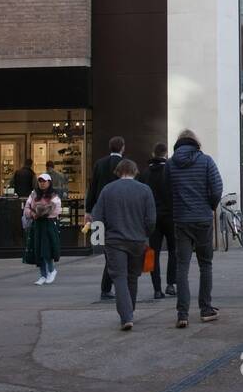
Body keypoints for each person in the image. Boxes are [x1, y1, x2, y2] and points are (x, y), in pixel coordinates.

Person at [168, 129, 224, 328]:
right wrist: (210, 205)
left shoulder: (170, 164)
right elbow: (217, 187)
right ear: (195, 142)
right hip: (202, 219)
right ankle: (206, 309)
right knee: (205, 264)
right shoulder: (206, 161)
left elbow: (166, 191)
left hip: (181, 220)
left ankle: (182, 314)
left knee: (182, 266)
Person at [91, 159, 155, 331]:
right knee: (133, 277)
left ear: (118, 172)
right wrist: (145, 234)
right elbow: (151, 219)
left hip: (114, 241)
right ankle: (130, 311)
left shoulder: (107, 190)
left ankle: (126, 316)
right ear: (135, 171)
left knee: (119, 277)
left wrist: (98, 241)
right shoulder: (145, 190)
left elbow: (97, 217)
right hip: (137, 240)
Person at [88, 136, 125, 300]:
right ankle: (111, 286)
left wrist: (88, 210)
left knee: (108, 249)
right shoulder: (125, 165)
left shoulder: (99, 164)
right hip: (120, 212)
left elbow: (93, 187)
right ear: (122, 147)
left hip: (101, 211)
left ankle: (107, 287)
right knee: (118, 250)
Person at [141, 143, 176, 299]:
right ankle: (171, 284)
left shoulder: (145, 173)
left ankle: (157, 288)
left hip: (153, 217)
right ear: (166, 154)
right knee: (173, 251)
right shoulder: (170, 171)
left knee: (153, 252)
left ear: (153, 153)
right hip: (170, 215)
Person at [22, 173, 62, 284]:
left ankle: (51, 270)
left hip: (48, 224)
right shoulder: (34, 194)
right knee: (38, 249)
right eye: (40, 181)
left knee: (47, 249)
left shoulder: (54, 196)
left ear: (49, 182)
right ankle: (43, 275)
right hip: (37, 225)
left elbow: (53, 209)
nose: (42, 184)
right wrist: (32, 213)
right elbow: (27, 207)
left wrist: (37, 212)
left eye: (44, 181)